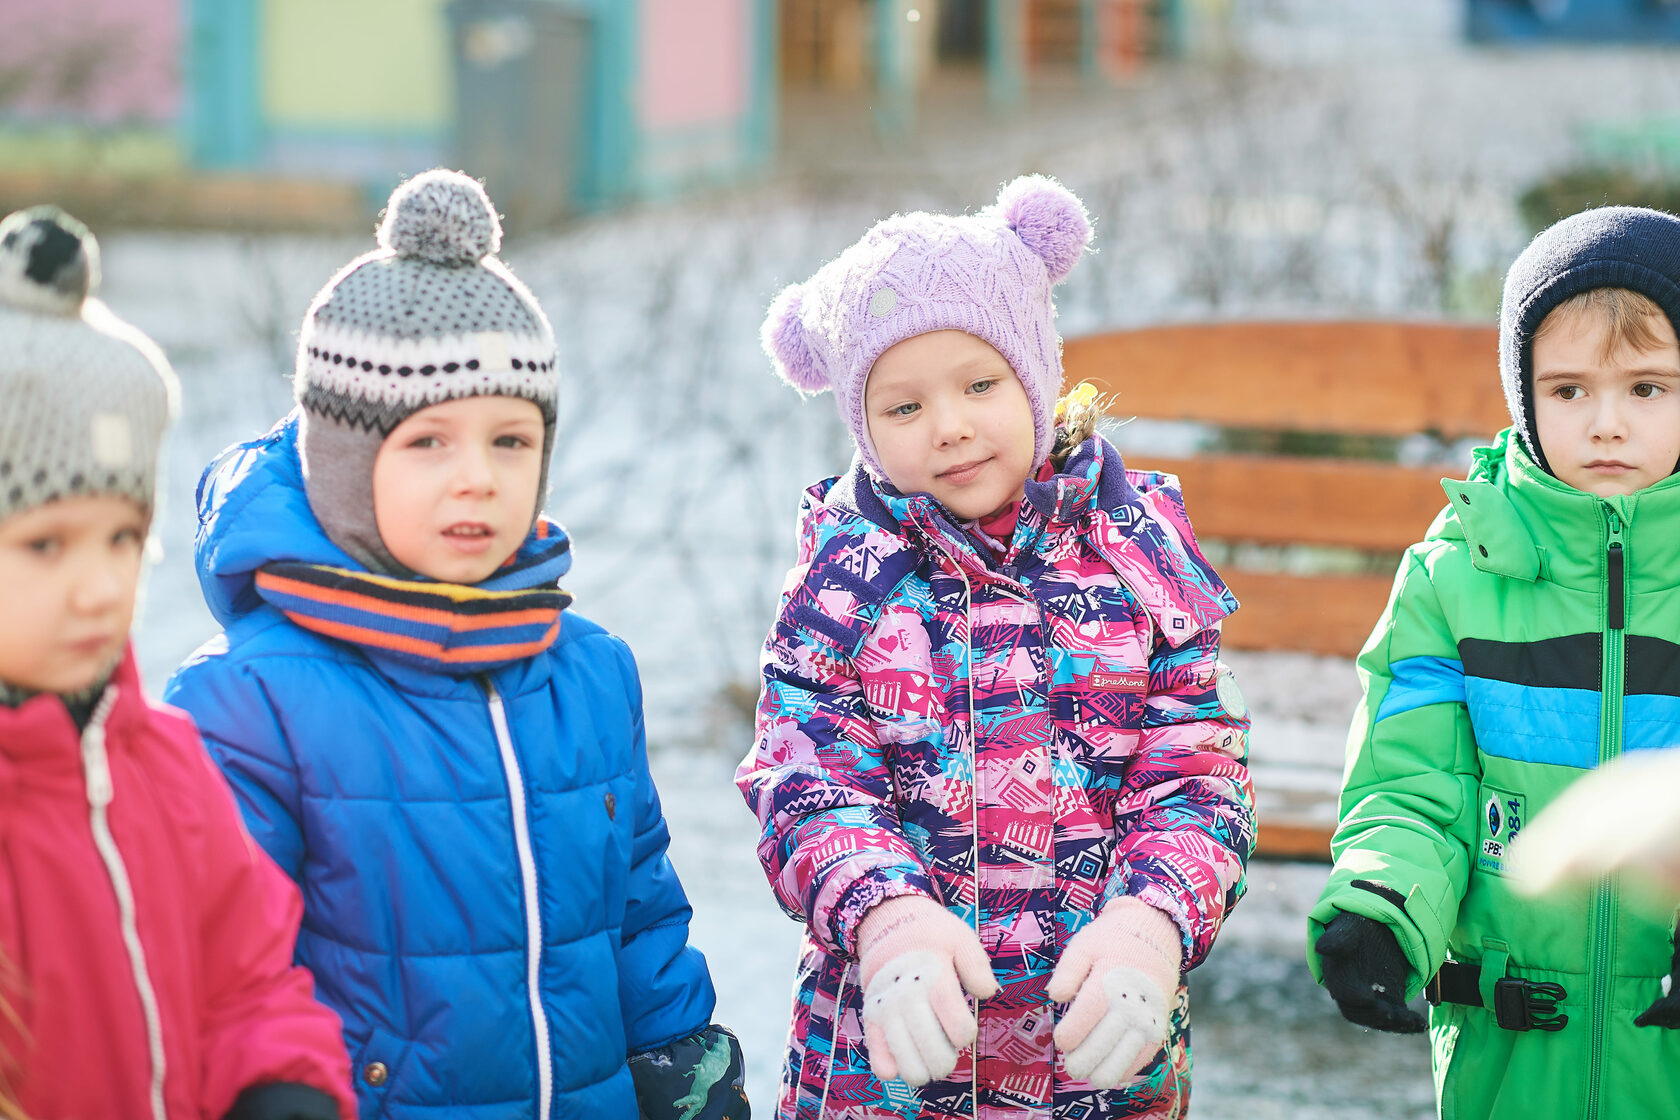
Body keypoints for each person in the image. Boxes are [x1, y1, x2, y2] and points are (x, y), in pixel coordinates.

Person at [163, 171, 747, 1120]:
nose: (476, 479)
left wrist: (681, 1051)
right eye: (429, 443)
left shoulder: (588, 674)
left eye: (511, 442)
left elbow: (635, 903)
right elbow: (222, 965)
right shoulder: (250, 705)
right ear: (348, 466)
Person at [737, 175, 1256, 1119]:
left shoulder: (1134, 549)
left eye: (981, 384)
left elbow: (1196, 768)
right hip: (888, 1056)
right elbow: (804, 779)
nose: (951, 425)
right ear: (862, 424)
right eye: (903, 408)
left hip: (1100, 1053)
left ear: (1039, 377)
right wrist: (885, 918)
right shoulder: (846, 580)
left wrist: (1152, 921)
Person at [1306, 205, 1680, 1119]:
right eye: (1568, 391)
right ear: (1524, 395)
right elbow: (1410, 784)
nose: (1606, 425)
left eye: (1647, 389)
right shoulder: (1455, 574)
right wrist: (1382, 902)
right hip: (1510, 1054)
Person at [0, 206, 355, 1118]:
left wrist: (282, 1082)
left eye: (123, 540)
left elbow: (248, 978)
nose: (97, 587)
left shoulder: (161, 764)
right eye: (46, 546)